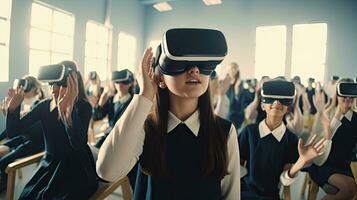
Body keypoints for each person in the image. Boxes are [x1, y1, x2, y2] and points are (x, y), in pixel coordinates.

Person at [97, 45, 240, 199]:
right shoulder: (146, 127)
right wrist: (145, 94)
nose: (194, 69)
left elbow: (230, 194)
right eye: (180, 62)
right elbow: (107, 171)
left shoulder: (224, 131)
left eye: (202, 64)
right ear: (160, 78)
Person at [5, 61, 98, 199]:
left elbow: (79, 144)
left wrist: (68, 113)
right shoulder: (44, 106)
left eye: (59, 84)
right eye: (51, 84)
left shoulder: (83, 107)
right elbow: (13, 132)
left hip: (76, 168)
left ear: (72, 83)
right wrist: (12, 110)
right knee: (27, 196)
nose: (53, 89)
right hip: (49, 163)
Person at [239, 79, 325, 199]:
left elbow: (285, 180)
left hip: (270, 196)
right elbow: (237, 166)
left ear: (288, 107)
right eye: (271, 98)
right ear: (263, 106)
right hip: (243, 193)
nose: (276, 102)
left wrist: (302, 160)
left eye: (283, 99)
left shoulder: (291, 140)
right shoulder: (249, 132)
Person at [308, 78, 357, 200]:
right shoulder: (326, 114)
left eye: (351, 97)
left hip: (344, 165)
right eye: (343, 96)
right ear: (336, 95)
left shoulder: (355, 118)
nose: (347, 100)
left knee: (351, 189)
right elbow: (316, 144)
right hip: (323, 164)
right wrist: (336, 116)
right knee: (349, 189)